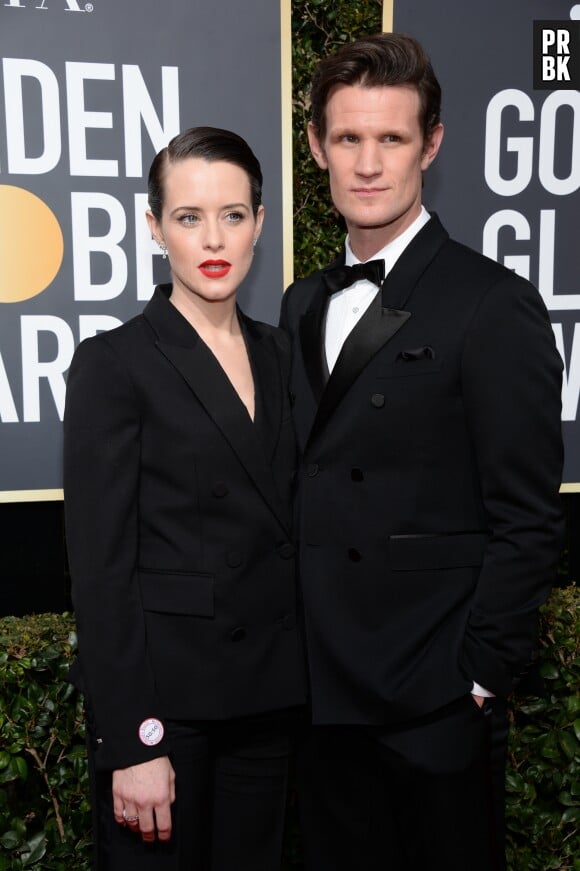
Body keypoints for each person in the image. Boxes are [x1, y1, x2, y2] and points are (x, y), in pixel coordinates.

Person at [279, 33, 564, 871]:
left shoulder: (491, 304)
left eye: (392, 138)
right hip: (321, 699)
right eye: (348, 139)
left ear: (430, 145)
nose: (368, 164)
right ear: (317, 147)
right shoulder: (300, 303)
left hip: (433, 703)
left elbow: (528, 517)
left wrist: (478, 678)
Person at [64, 126, 306, 871]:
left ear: (261, 224)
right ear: (153, 226)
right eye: (189, 216)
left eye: (233, 215)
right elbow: (102, 573)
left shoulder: (286, 353)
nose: (213, 238)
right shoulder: (115, 363)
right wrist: (135, 739)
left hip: (273, 702)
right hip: (169, 712)